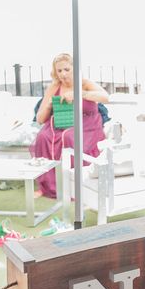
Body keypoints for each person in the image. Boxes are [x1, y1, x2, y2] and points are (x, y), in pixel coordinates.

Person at [30, 53, 109, 198]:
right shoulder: (54, 87)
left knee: (70, 138)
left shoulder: (84, 83)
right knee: (42, 136)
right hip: (62, 121)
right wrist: (49, 104)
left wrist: (80, 93)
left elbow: (105, 97)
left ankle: (75, 186)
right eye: (59, 71)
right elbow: (40, 119)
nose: (63, 74)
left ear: (74, 68)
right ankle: (49, 186)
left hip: (87, 123)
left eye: (66, 69)